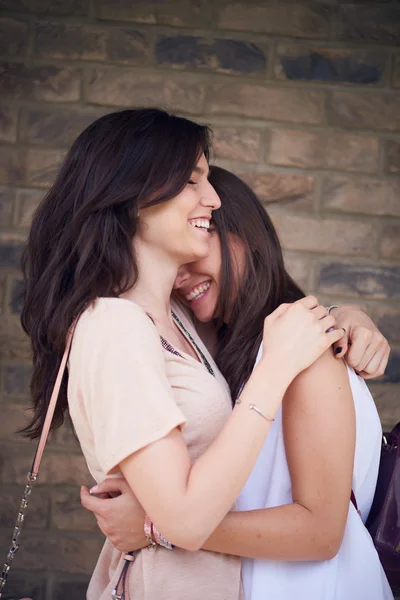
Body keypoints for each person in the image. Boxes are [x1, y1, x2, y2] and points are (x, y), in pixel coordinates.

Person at [19, 110, 344, 600]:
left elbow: (256, 310)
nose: (212, 199)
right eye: (193, 180)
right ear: (131, 194)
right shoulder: (114, 324)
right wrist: (276, 369)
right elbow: (187, 521)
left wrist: (349, 316)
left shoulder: (179, 320)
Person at [83, 166, 393, 600]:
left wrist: (157, 528)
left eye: (194, 252)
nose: (181, 277)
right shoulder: (223, 352)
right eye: (174, 264)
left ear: (244, 234)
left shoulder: (308, 357)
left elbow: (321, 532)